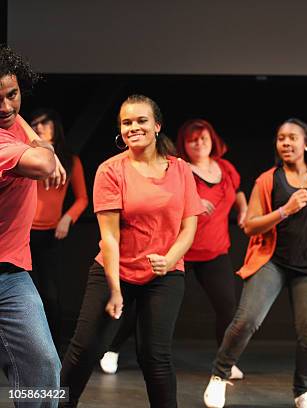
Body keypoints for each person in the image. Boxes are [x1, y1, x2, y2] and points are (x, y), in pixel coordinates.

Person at [60, 94, 204, 407]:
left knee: (155, 355)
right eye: (127, 122)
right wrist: (114, 290)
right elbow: (109, 239)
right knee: (85, 349)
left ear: (157, 126)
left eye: (141, 120)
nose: (133, 127)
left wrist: (168, 259)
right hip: (116, 271)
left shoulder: (181, 171)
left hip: (164, 273)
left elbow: (188, 227)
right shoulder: (111, 171)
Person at [203, 118, 307, 408]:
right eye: (281, 138)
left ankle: (302, 391)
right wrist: (285, 210)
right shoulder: (268, 179)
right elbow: (250, 226)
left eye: (292, 138)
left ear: (305, 143)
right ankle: (219, 376)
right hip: (272, 261)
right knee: (246, 321)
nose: (286, 143)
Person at [99, 119, 248, 380]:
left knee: (227, 306)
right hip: (178, 251)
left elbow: (237, 192)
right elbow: (167, 194)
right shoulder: (179, 169)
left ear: (213, 141)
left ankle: (226, 360)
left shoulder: (225, 168)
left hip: (215, 250)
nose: (199, 143)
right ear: (184, 145)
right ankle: (112, 349)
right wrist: (195, 199)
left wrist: (244, 210)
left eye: (204, 138)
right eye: (192, 140)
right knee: (141, 306)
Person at [0, 44, 65, 407]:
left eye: (12, 94)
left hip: (11, 276)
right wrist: (49, 153)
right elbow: (42, 164)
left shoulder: (10, 126)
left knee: (43, 366)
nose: (6, 107)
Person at [29, 108, 89, 356]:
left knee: (50, 294)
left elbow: (83, 198)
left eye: (45, 123)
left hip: (52, 234)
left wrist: (67, 218)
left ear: (56, 126)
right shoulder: (29, 156)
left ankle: (52, 347)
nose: (40, 127)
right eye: (35, 124)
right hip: (22, 233)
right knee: (21, 293)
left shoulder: (70, 160)